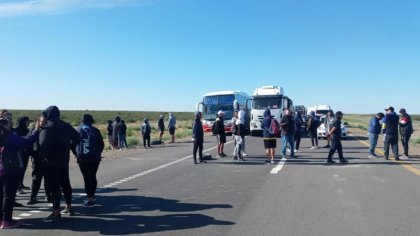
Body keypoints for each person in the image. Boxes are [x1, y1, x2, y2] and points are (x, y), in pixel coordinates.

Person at [39, 106, 80, 222]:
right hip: (63, 160)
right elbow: (77, 138)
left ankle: (56, 211)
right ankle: (69, 206)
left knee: (54, 187)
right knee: (66, 184)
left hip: (51, 163)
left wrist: (45, 157)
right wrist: (68, 146)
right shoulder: (66, 126)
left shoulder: (47, 128)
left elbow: (42, 145)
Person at [0, 117, 39, 229]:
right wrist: (35, 131)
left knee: (1, 195)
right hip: (9, 170)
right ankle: (7, 221)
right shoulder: (10, 137)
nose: (11, 123)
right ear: (5, 125)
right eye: (9, 122)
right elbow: (26, 142)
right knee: (9, 196)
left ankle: (1, 219)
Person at [74, 114, 104, 207]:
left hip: (83, 158)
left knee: (87, 177)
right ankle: (92, 195)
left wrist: (76, 154)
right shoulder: (95, 130)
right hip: (95, 158)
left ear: (82, 121)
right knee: (92, 176)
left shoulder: (77, 130)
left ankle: (90, 198)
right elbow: (101, 144)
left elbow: (71, 144)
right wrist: (98, 153)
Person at [27, 115, 49, 205]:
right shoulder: (34, 131)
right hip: (37, 158)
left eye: (45, 122)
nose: (43, 123)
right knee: (36, 178)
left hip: (48, 159)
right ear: (38, 121)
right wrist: (32, 154)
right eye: (41, 121)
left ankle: (48, 196)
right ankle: (33, 197)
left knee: (48, 178)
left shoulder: (49, 130)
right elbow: (28, 142)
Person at [14, 116, 32, 194]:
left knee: (23, 170)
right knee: (19, 171)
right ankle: (18, 187)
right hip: (19, 154)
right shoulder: (16, 130)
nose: (28, 123)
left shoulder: (27, 130)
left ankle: (21, 184)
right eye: (27, 121)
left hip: (26, 153)